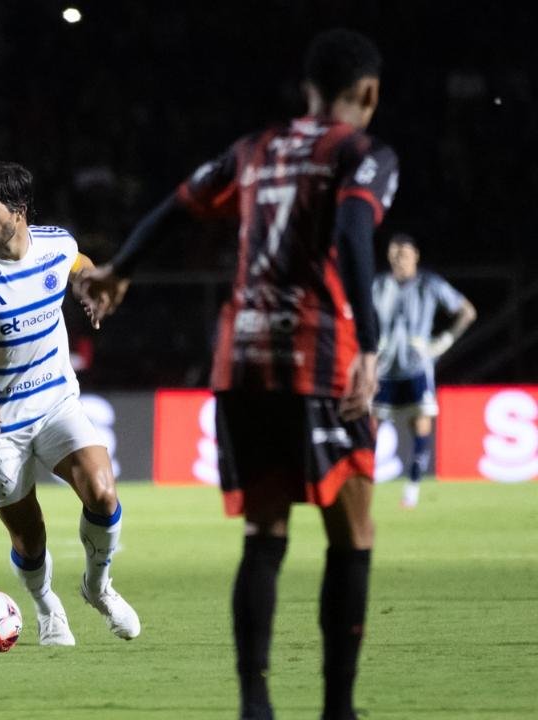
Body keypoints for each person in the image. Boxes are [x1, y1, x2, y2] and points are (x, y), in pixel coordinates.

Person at [79, 29, 397, 720]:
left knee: (265, 534)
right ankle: (338, 709)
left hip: (241, 358)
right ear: (367, 92)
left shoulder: (254, 149)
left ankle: (255, 703)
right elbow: (350, 236)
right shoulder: (362, 154)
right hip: (317, 357)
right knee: (354, 534)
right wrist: (369, 347)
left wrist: (117, 272)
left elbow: (176, 206)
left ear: (308, 88)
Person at [0, 161, 140, 647]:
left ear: (18, 212)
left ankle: (98, 587)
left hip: (56, 401)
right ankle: (46, 607)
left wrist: (88, 286)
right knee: (29, 536)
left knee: (103, 493)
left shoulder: (55, 245)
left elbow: (79, 263)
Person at [372, 233, 475, 508]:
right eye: (394, 255)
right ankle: (363, 486)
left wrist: (444, 341)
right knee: (369, 427)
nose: (399, 261)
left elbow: (467, 311)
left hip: (417, 368)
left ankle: (412, 489)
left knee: (420, 424)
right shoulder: (379, 285)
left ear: (415, 256)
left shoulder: (430, 284)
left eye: (404, 255)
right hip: (384, 369)